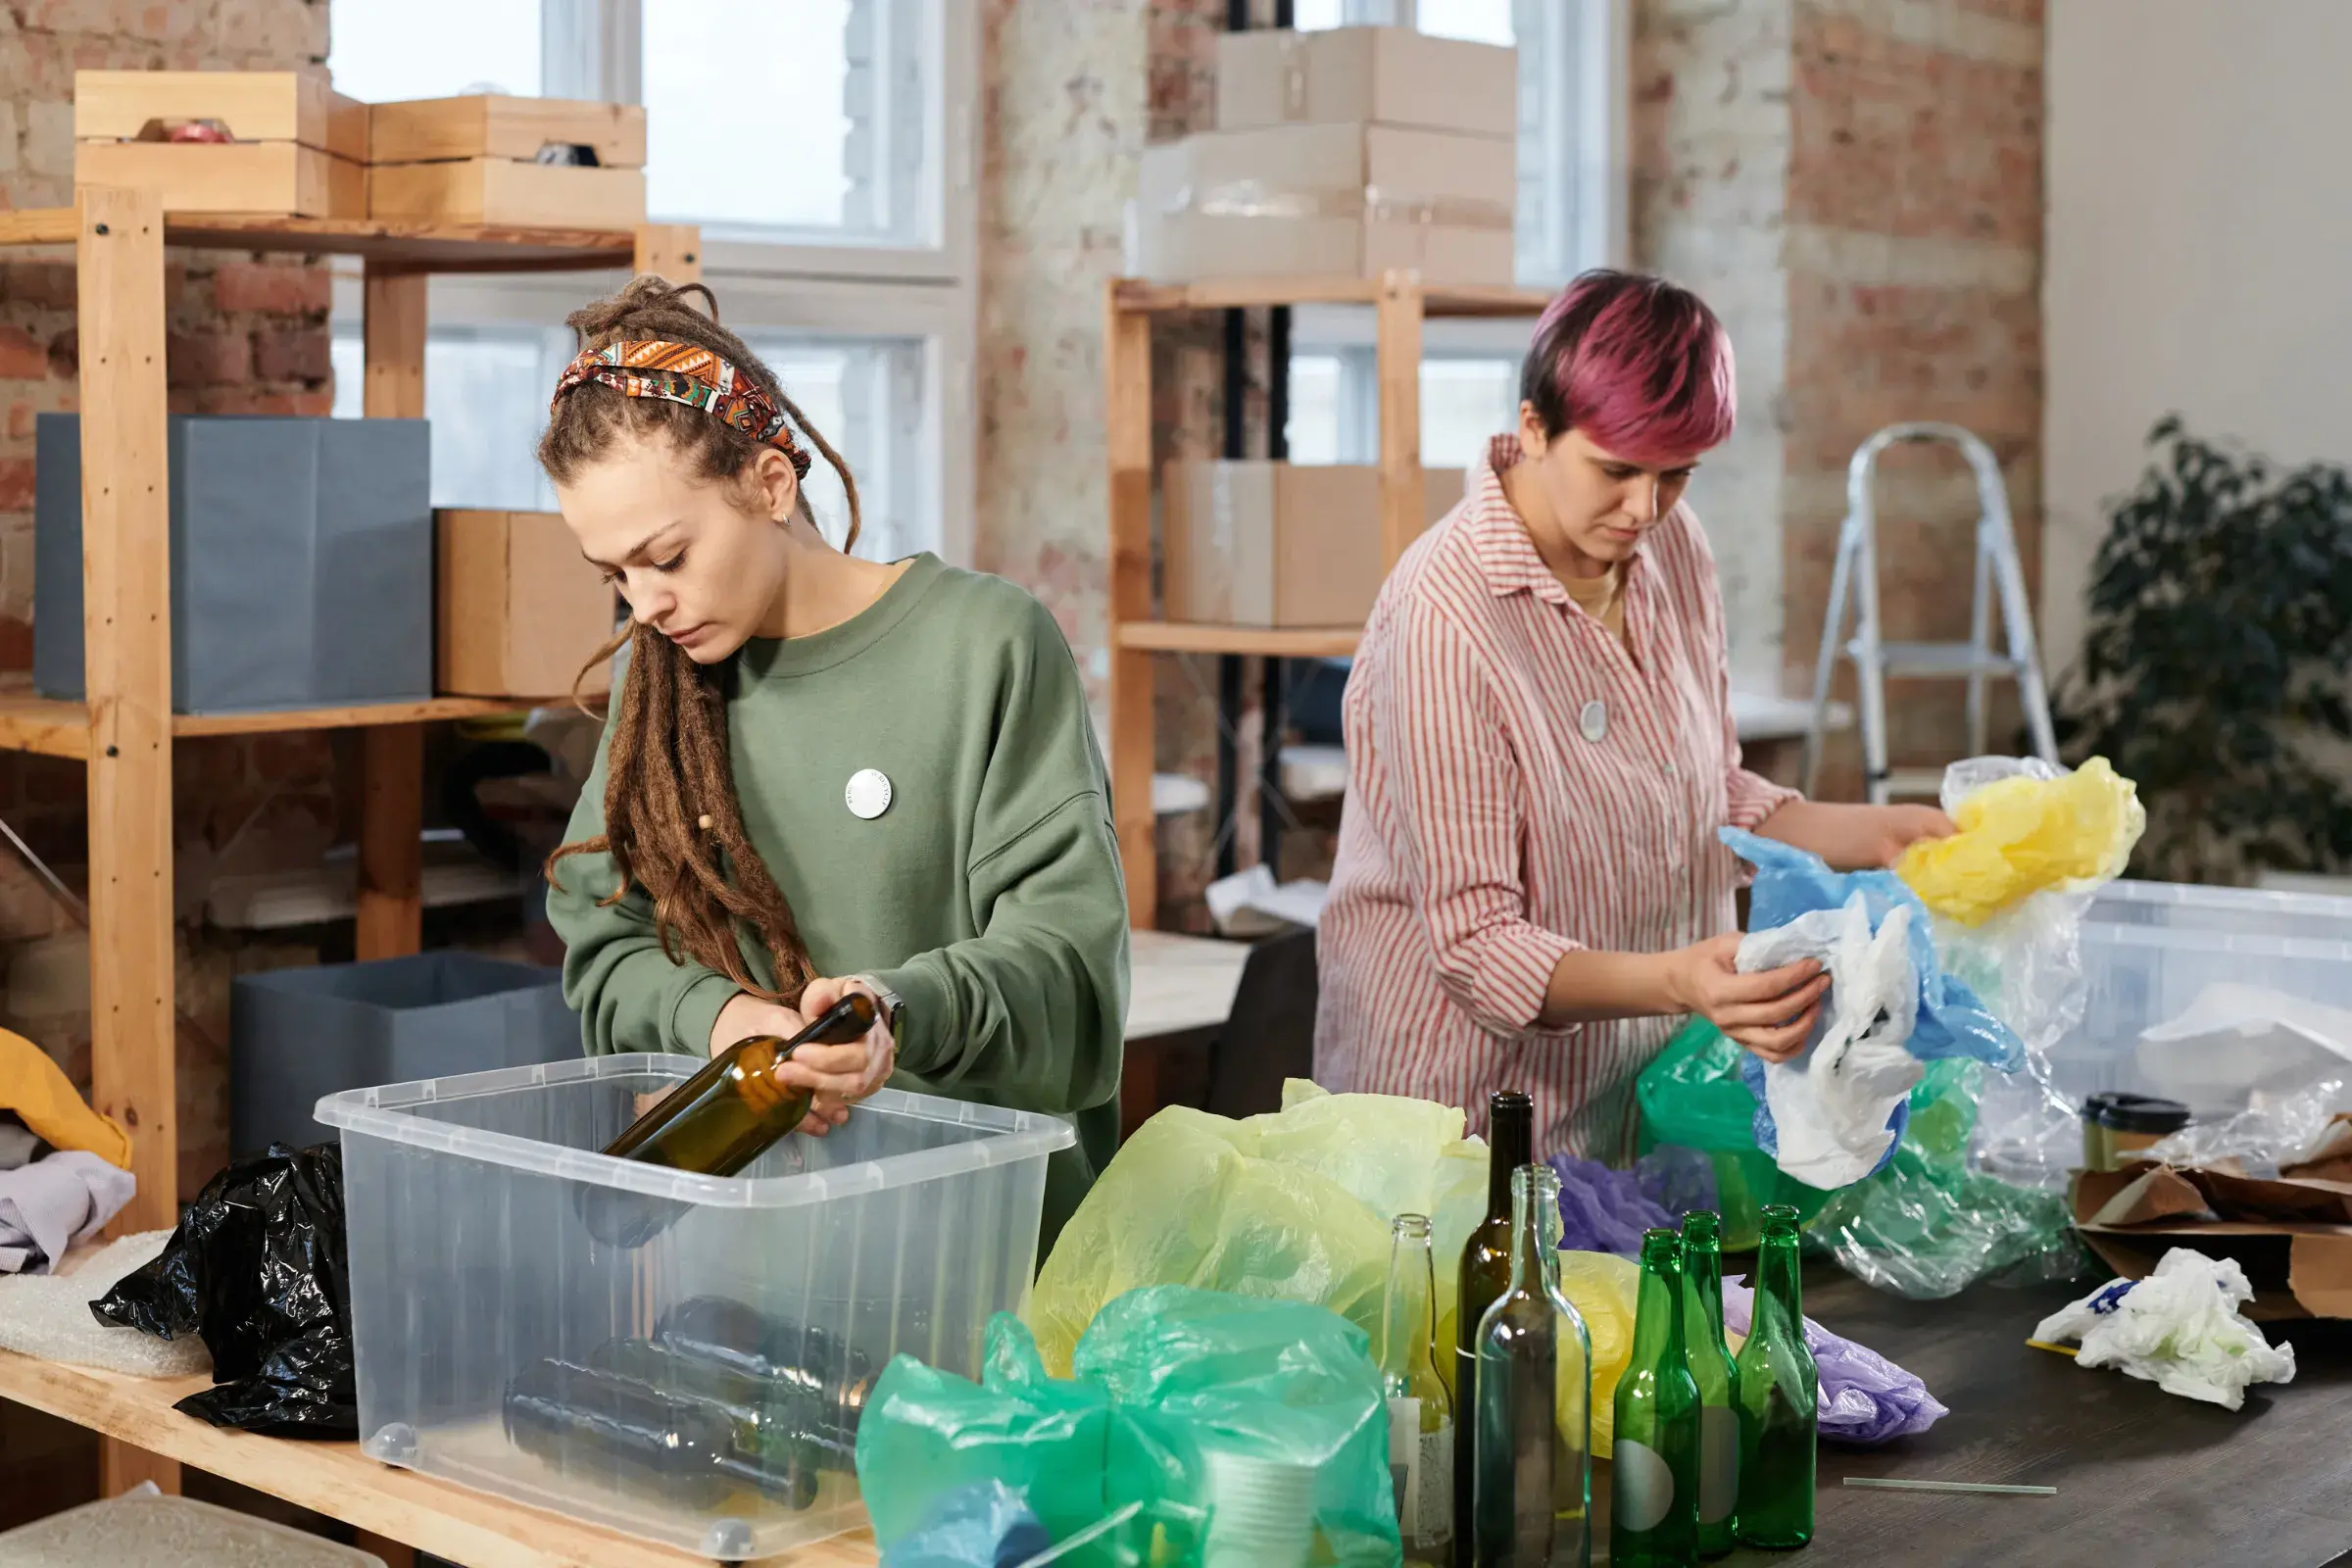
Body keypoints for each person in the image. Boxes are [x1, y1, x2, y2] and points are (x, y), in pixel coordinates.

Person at [540, 276, 1129, 1247]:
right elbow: (605, 947)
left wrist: (893, 1012)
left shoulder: (986, 646)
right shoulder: (666, 686)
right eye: (617, 576)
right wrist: (727, 1021)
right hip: (762, 1280)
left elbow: (1069, 970)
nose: (645, 604)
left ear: (772, 483)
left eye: (669, 556)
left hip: (987, 1273)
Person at [1314, 269, 1953, 1162]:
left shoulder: (1670, 549)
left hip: (1632, 1095)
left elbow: (1703, 790)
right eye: (1614, 471)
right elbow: (1477, 949)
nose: (1643, 509)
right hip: (1461, 1121)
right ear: (1533, 428)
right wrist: (1678, 980)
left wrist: (1881, 835)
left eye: (1676, 475)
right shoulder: (1445, 616)